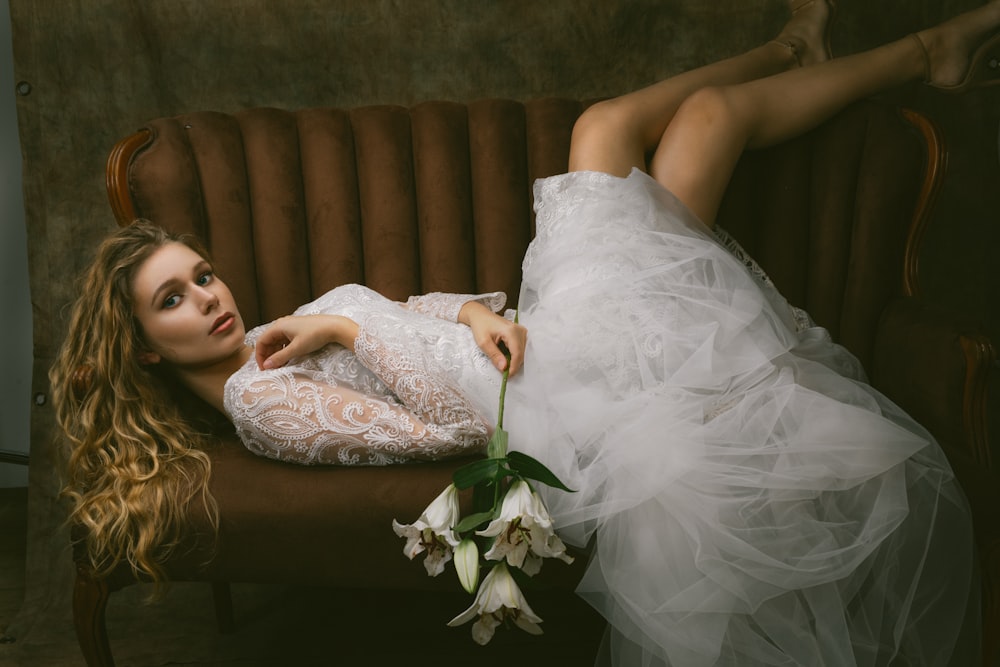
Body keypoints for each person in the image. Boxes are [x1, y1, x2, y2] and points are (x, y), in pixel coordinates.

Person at [50, 0, 1000, 663]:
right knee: (626, 130)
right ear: (141, 346)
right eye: (173, 299)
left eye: (201, 273)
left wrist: (467, 312)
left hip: (529, 335)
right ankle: (889, 51)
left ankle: (827, 49)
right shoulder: (260, 406)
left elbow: (421, 319)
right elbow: (440, 433)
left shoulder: (267, 341)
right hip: (547, 393)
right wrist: (346, 316)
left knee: (677, 128)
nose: (209, 296)